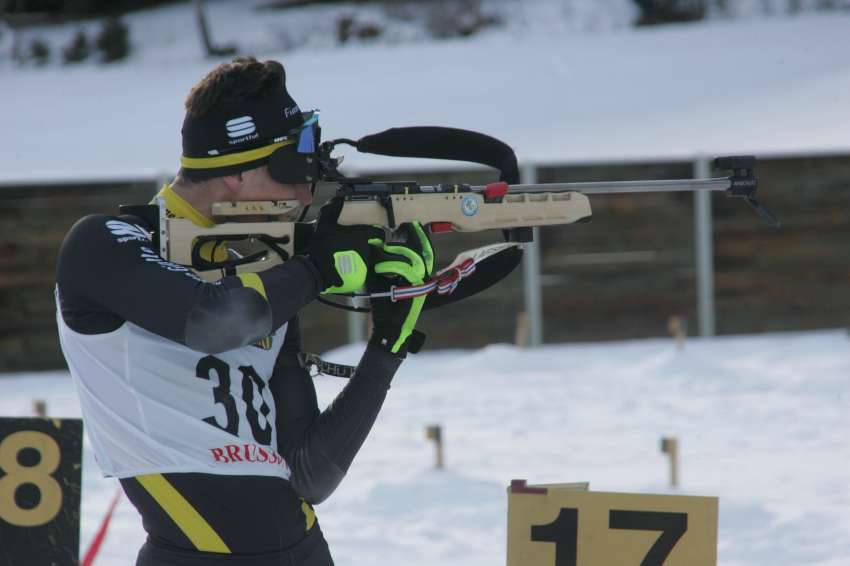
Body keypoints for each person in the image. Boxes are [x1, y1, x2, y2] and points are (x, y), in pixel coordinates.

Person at [55, 57, 432, 566]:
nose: (305, 194)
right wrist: (316, 268)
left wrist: (386, 348)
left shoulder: (262, 277)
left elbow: (309, 476)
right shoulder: (103, 243)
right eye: (294, 171)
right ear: (236, 173)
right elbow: (210, 322)